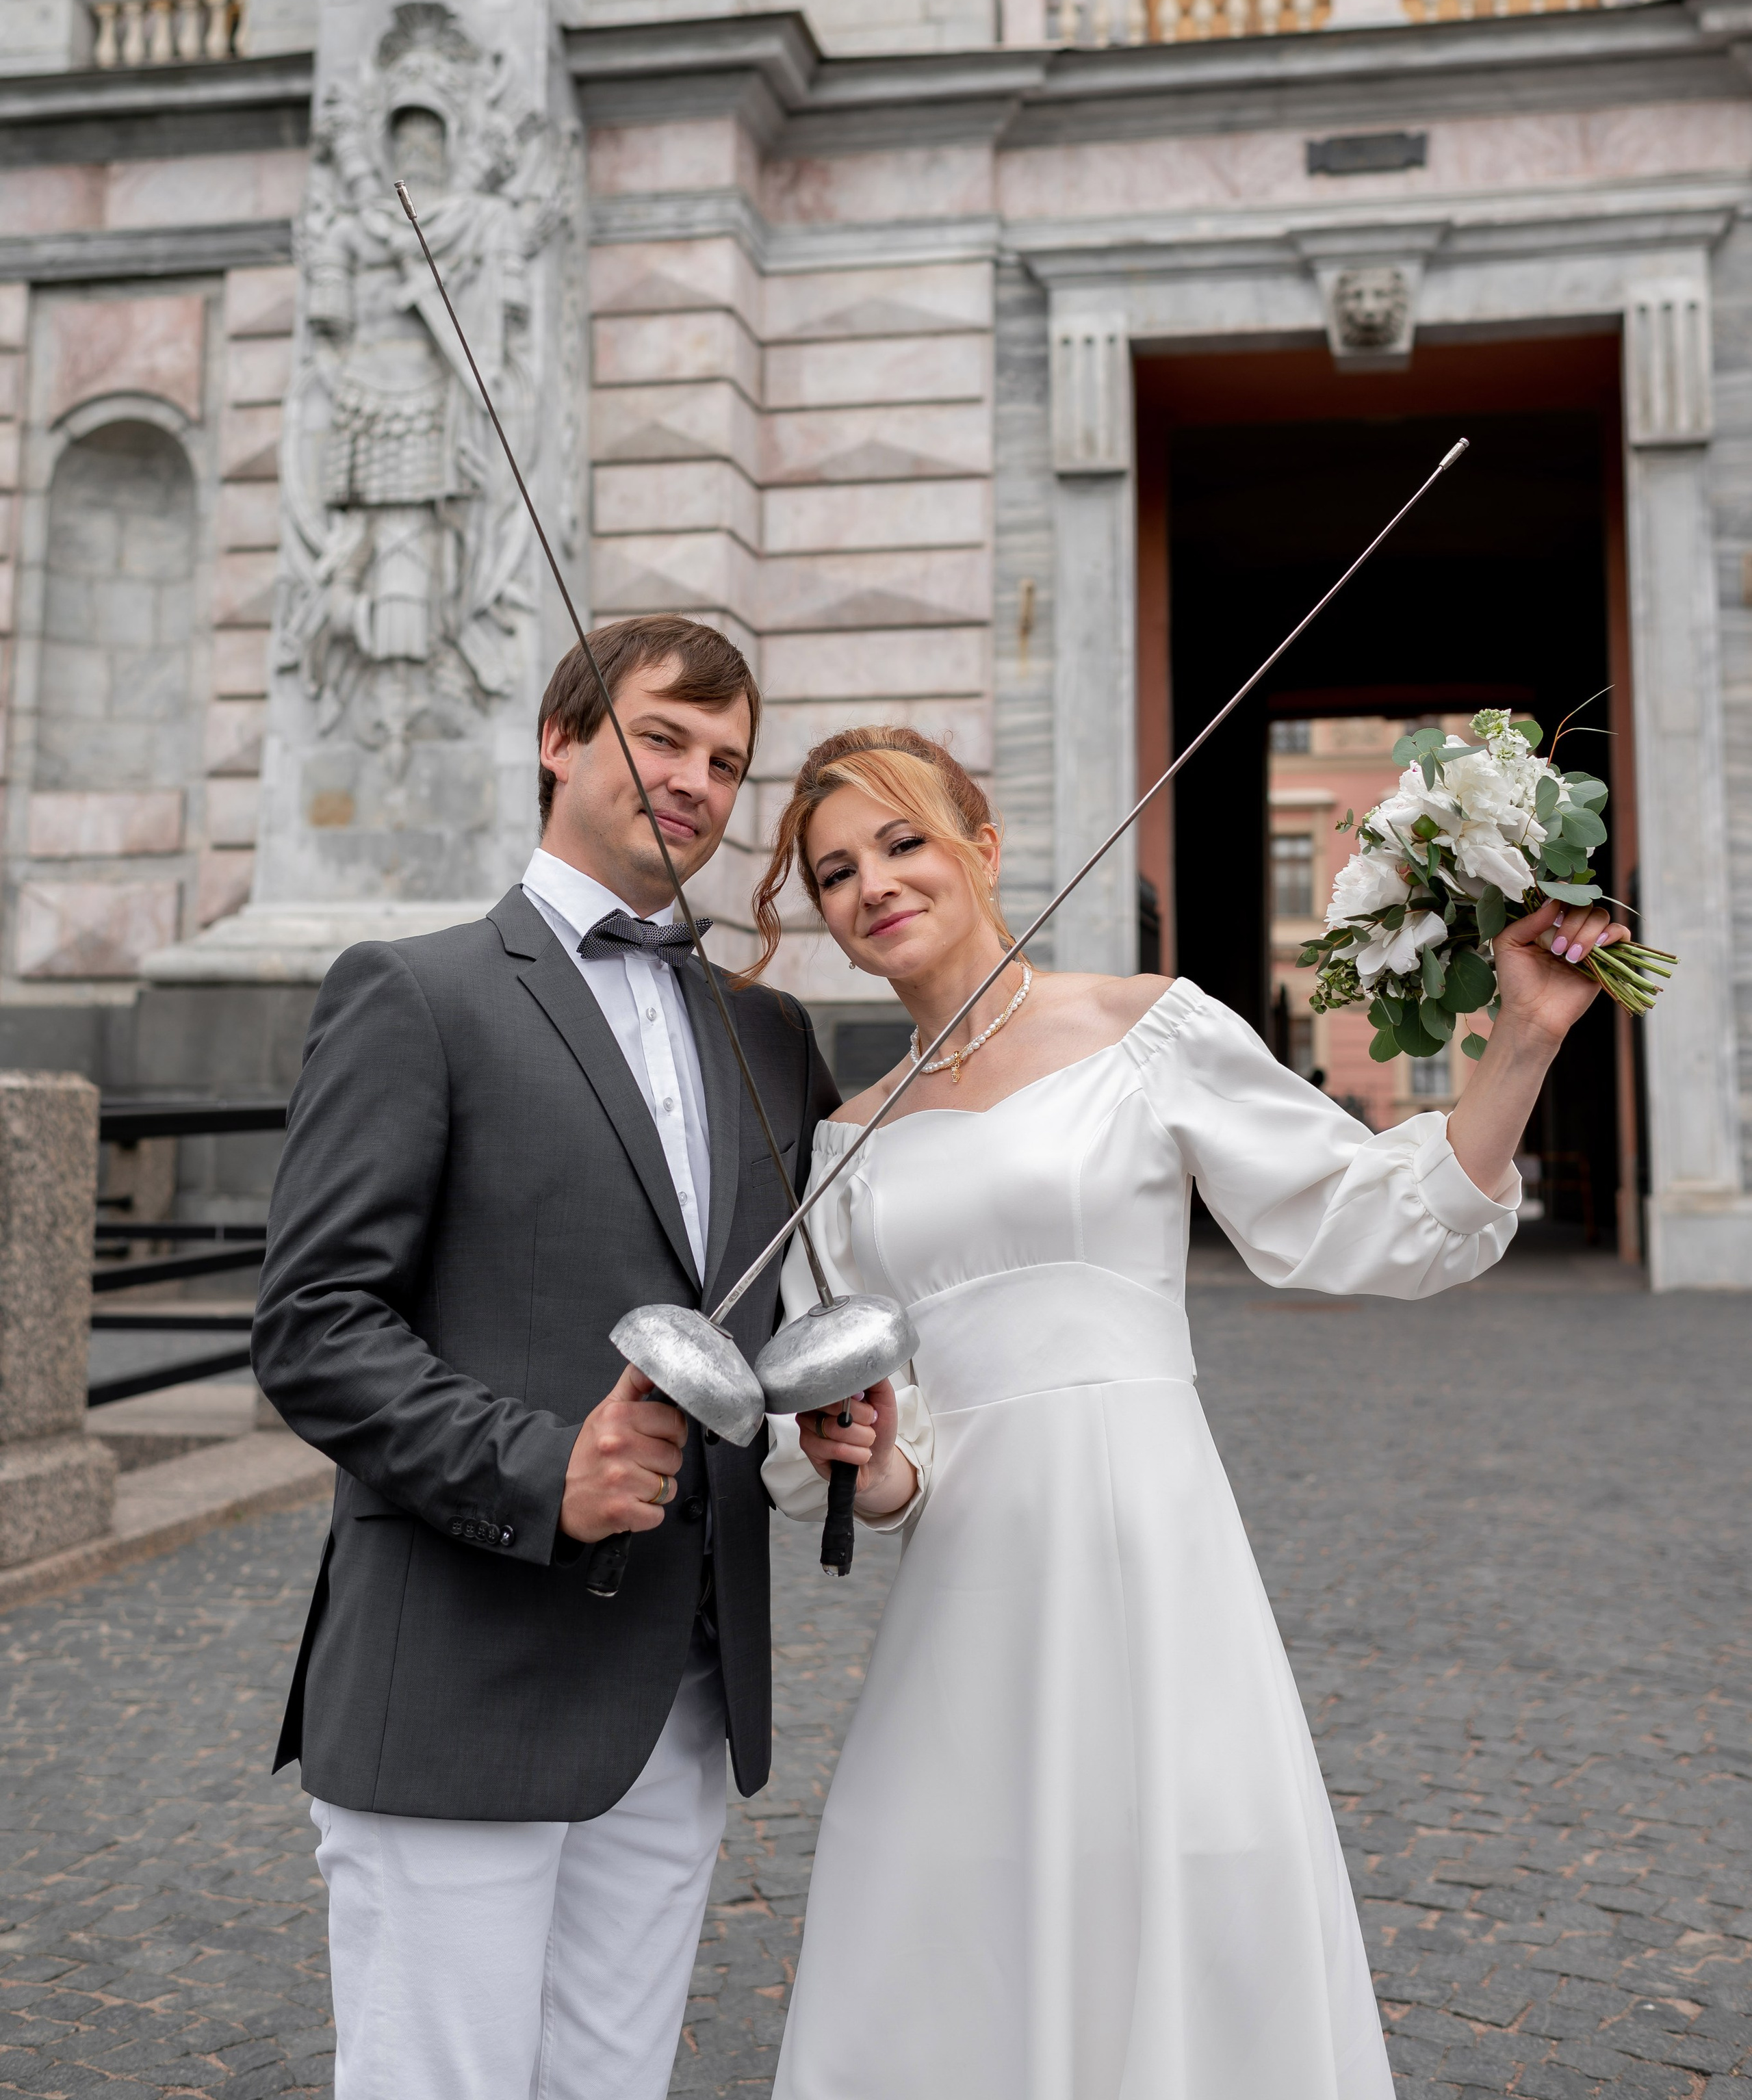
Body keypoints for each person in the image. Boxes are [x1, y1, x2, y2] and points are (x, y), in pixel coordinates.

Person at [752, 725, 1623, 2100]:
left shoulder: (1145, 1026)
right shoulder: (847, 1143)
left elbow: (1360, 1222)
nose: (872, 884)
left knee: (1186, 1879)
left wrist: (1520, 1036)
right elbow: (870, 1439)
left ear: (981, 843)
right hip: (968, 1590)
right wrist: (862, 1464)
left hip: (1154, 1548)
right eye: (835, 871)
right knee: (948, 1903)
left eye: (902, 841)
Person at [252, 614, 837, 2100]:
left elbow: (800, 1297)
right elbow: (314, 1324)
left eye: (726, 761)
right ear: (559, 738)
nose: (695, 780)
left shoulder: (773, 1037)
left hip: (685, 1686)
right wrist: (543, 1466)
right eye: (661, 737)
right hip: (461, 1669)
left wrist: (840, 1401)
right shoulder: (415, 989)